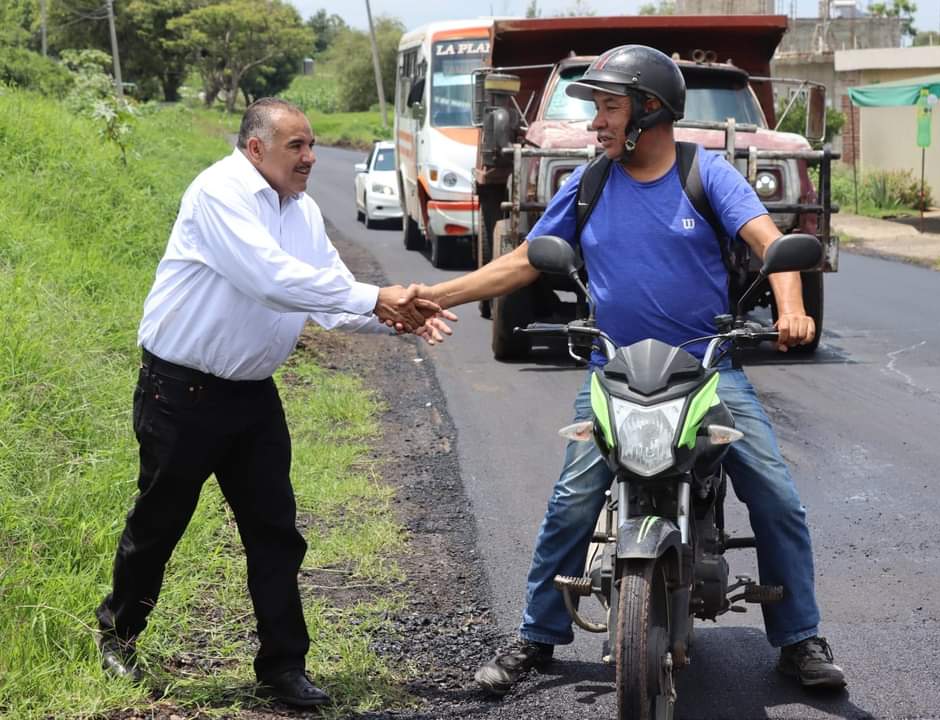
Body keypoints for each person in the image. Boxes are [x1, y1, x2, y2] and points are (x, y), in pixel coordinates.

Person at [411, 45, 846, 694]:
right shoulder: (588, 182)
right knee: (571, 503)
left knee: (775, 497)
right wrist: (430, 296)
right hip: (612, 374)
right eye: (596, 111)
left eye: (608, 108)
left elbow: (769, 244)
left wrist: (790, 309)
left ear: (649, 111)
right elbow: (525, 260)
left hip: (706, 370)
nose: (596, 123)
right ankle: (536, 637)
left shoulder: (708, 173)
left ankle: (798, 639)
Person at [94, 97, 454, 707]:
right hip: (181, 392)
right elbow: (271, 279)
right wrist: (378, 298)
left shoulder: (303, 211)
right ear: (256, 147)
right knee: (161, 522)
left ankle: (283, 668)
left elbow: (327, 299)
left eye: (313, 144)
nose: (312, 157)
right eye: (298, 146)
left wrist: (399, 319)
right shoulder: (219, 193)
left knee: (276, 534)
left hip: (253, 397)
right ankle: (117, 633)